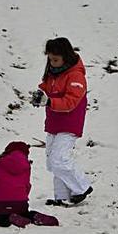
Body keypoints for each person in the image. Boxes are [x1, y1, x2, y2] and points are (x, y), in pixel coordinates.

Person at [31, 37, 92, 207]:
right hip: (54, 123)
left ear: (66, 56)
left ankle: (82, 187)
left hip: (69, 124)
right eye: (50, 59)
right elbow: (47, 88)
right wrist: (40, 94)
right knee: (52, 163)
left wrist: (49, 102)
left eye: (56, 59)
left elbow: (71, 101)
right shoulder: (53, 72)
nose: (52, 62)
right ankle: (62, 196)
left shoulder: (76, 76)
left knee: (59, 159)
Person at [0, 141, 59, 227]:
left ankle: (9, 218)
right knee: (24, 213)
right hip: (19, 203)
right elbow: (27, 186)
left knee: (0, 220)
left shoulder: (0, 163)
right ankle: (32, 217)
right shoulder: (26, 165)